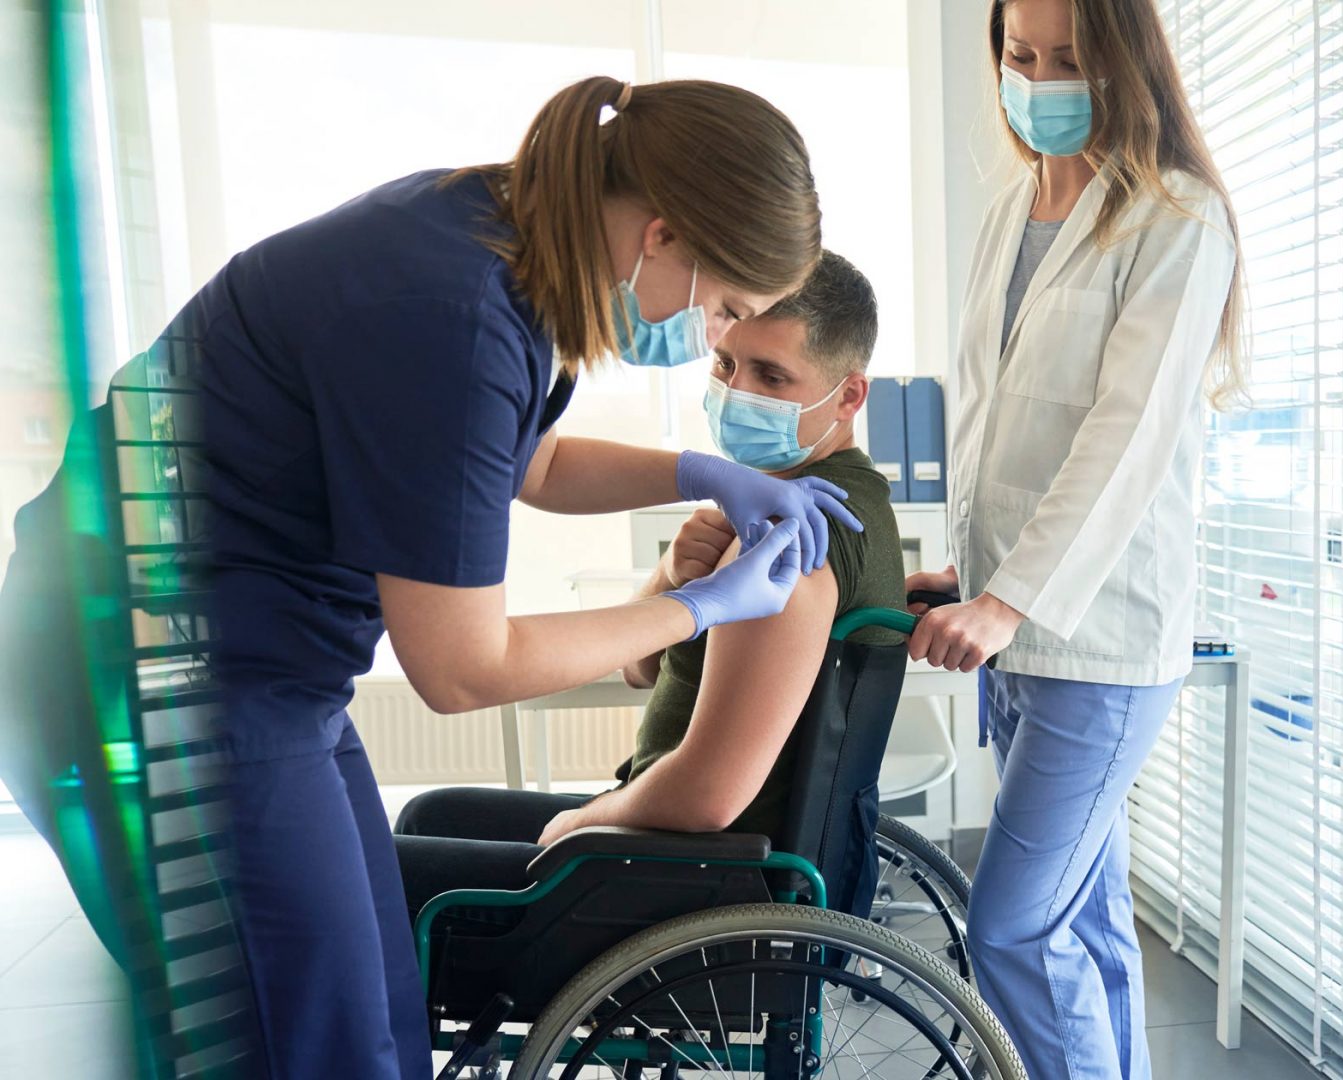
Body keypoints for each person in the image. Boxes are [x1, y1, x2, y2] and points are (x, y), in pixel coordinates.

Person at [189, 77, 860, 1080]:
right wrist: (695, 609)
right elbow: (461, 669)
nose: (713, 344)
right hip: (173, 679)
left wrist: (694, 469)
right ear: (664, 234)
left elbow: (530, 464)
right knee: (319, 1047)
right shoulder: (452, 306)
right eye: (723, 312)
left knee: (382, 1015)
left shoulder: (504, 244)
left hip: (275, 677)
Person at [903, 2, 1246, 1078]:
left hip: (1099, 640)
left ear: (1127, 63)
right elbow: (1001, 420)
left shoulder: (1178, 217)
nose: (1041, 82)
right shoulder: (1014, 210)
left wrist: (1010, 599)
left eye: (1070, 61)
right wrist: (974, 570)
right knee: (1083, 924)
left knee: (1010, 928)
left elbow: (1125, 434)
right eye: (1021, 57)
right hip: (1016, 632)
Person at [392, 250, 904, 919]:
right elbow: (641, 668)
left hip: (690, 876)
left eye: (771, 376)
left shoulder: (788, 543)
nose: (737, 391)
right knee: (433, 812)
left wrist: (589, 820)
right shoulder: (815, 501)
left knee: (385, 877)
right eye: (726, 363)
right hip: (678, 844)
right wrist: (673, 577)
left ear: (850, 395)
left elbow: (709, 796)